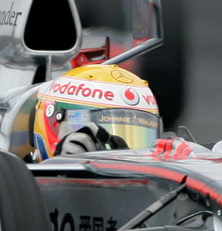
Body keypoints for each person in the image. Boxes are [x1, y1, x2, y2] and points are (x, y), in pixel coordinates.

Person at [31, 63, 161, 159]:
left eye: (139, 138)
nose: (113, 152)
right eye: (95, 138)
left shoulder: (160, 190)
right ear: (53, 124)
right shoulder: (19, 188)